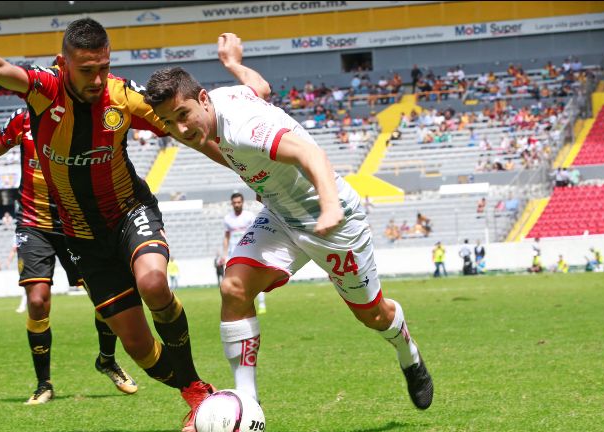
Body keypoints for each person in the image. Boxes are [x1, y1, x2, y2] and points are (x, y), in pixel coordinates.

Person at [0, 13, 214, 431]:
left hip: (129, 211)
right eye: (87, 70)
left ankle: (198, 395)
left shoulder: (122, 96)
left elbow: (188, 127)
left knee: (154, 283)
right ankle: (197, 390)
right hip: (83, 237)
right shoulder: (45, 89)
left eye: (103, 68)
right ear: (62, 63)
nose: (96, 78)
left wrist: (242, 162)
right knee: (142, 351)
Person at [145, 33, 433, 410]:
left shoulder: (244, 129)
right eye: (168, 122)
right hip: (282, 216)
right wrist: (233, 64)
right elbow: (259, 87)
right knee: (234, 288)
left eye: (182, 116)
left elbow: (310, 153)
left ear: (202, 100)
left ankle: (407, 352)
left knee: (374, 315)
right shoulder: (218, 103)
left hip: (330, 219)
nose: (180, 130)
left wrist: (330, 207)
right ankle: (246, 405)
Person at [0, 107, 138, 403]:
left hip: (78, 222)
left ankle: (107, 360)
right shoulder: (23, 118)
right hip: (34, 223)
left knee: (104, 299)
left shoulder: (86, 116)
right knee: (36, 301)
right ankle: (43, 384)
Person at [221, 192, 267, 315]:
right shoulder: (227, 219)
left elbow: (257, 232)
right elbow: (226, 237)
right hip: (233, 254)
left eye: (239, 202)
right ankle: (240, 305)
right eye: (234, 202)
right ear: (231, 203)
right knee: (233, 280)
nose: (237, 204)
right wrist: (224, 255)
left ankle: (262, 304)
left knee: (255, 278)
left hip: (248, 251)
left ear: (242, 202)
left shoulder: (249, 216)